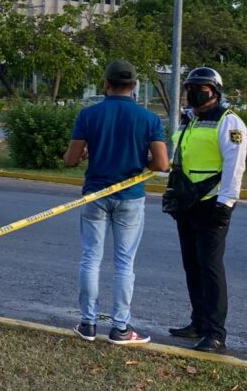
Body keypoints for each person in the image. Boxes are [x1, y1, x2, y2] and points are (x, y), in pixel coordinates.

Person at [63, 59, 169, 345]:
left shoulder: (89, 115)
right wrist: (137, 159)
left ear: (106, 84)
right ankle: (120, 328)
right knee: (124, 263)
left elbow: (70, 159)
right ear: (134, 86)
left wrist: (88, 155)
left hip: (95, 195)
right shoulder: (149, 119)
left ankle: (88, 323)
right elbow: (161, 163)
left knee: (90, 257)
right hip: (130, 198)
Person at [163, 67, 247, 353]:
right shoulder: (190, 120)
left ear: (215, 91)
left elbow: (235, 167)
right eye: (191, 87)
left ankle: (215, 333)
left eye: (202, 88)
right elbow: (180, 159)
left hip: (213, 203)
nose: (195, 92)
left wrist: (226, 203)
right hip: (188, 202)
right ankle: (198, 322)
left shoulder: (229, 122)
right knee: (192, 265)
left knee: (210, 268)